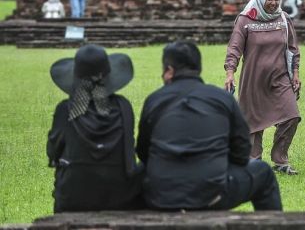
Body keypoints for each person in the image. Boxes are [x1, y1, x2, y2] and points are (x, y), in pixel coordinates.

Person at [137, 41, 282, 211]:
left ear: (169, 71)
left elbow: (143, 153)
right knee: (262, 172)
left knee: (135, 173)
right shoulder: (222, 98)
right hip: (213, 194)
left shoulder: (155, 100)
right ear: (198, 68)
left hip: (161, 194)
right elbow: (242, 153)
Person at [47, 44, 143, 212]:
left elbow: (53, 152)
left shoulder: (66, 109)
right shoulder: (123, 107)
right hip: (119, 195)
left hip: (73, 196)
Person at [224, 0, 301, 175]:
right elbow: (234, 49)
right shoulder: (245, 20)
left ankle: (280, 159)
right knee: (253, 124)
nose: (274, 3)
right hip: (254, 81)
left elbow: (293, 49)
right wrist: (230, 72)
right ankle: (253, 161)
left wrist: (296, 74)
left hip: (280, 79)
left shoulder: (283, 19)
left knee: (291, 116)